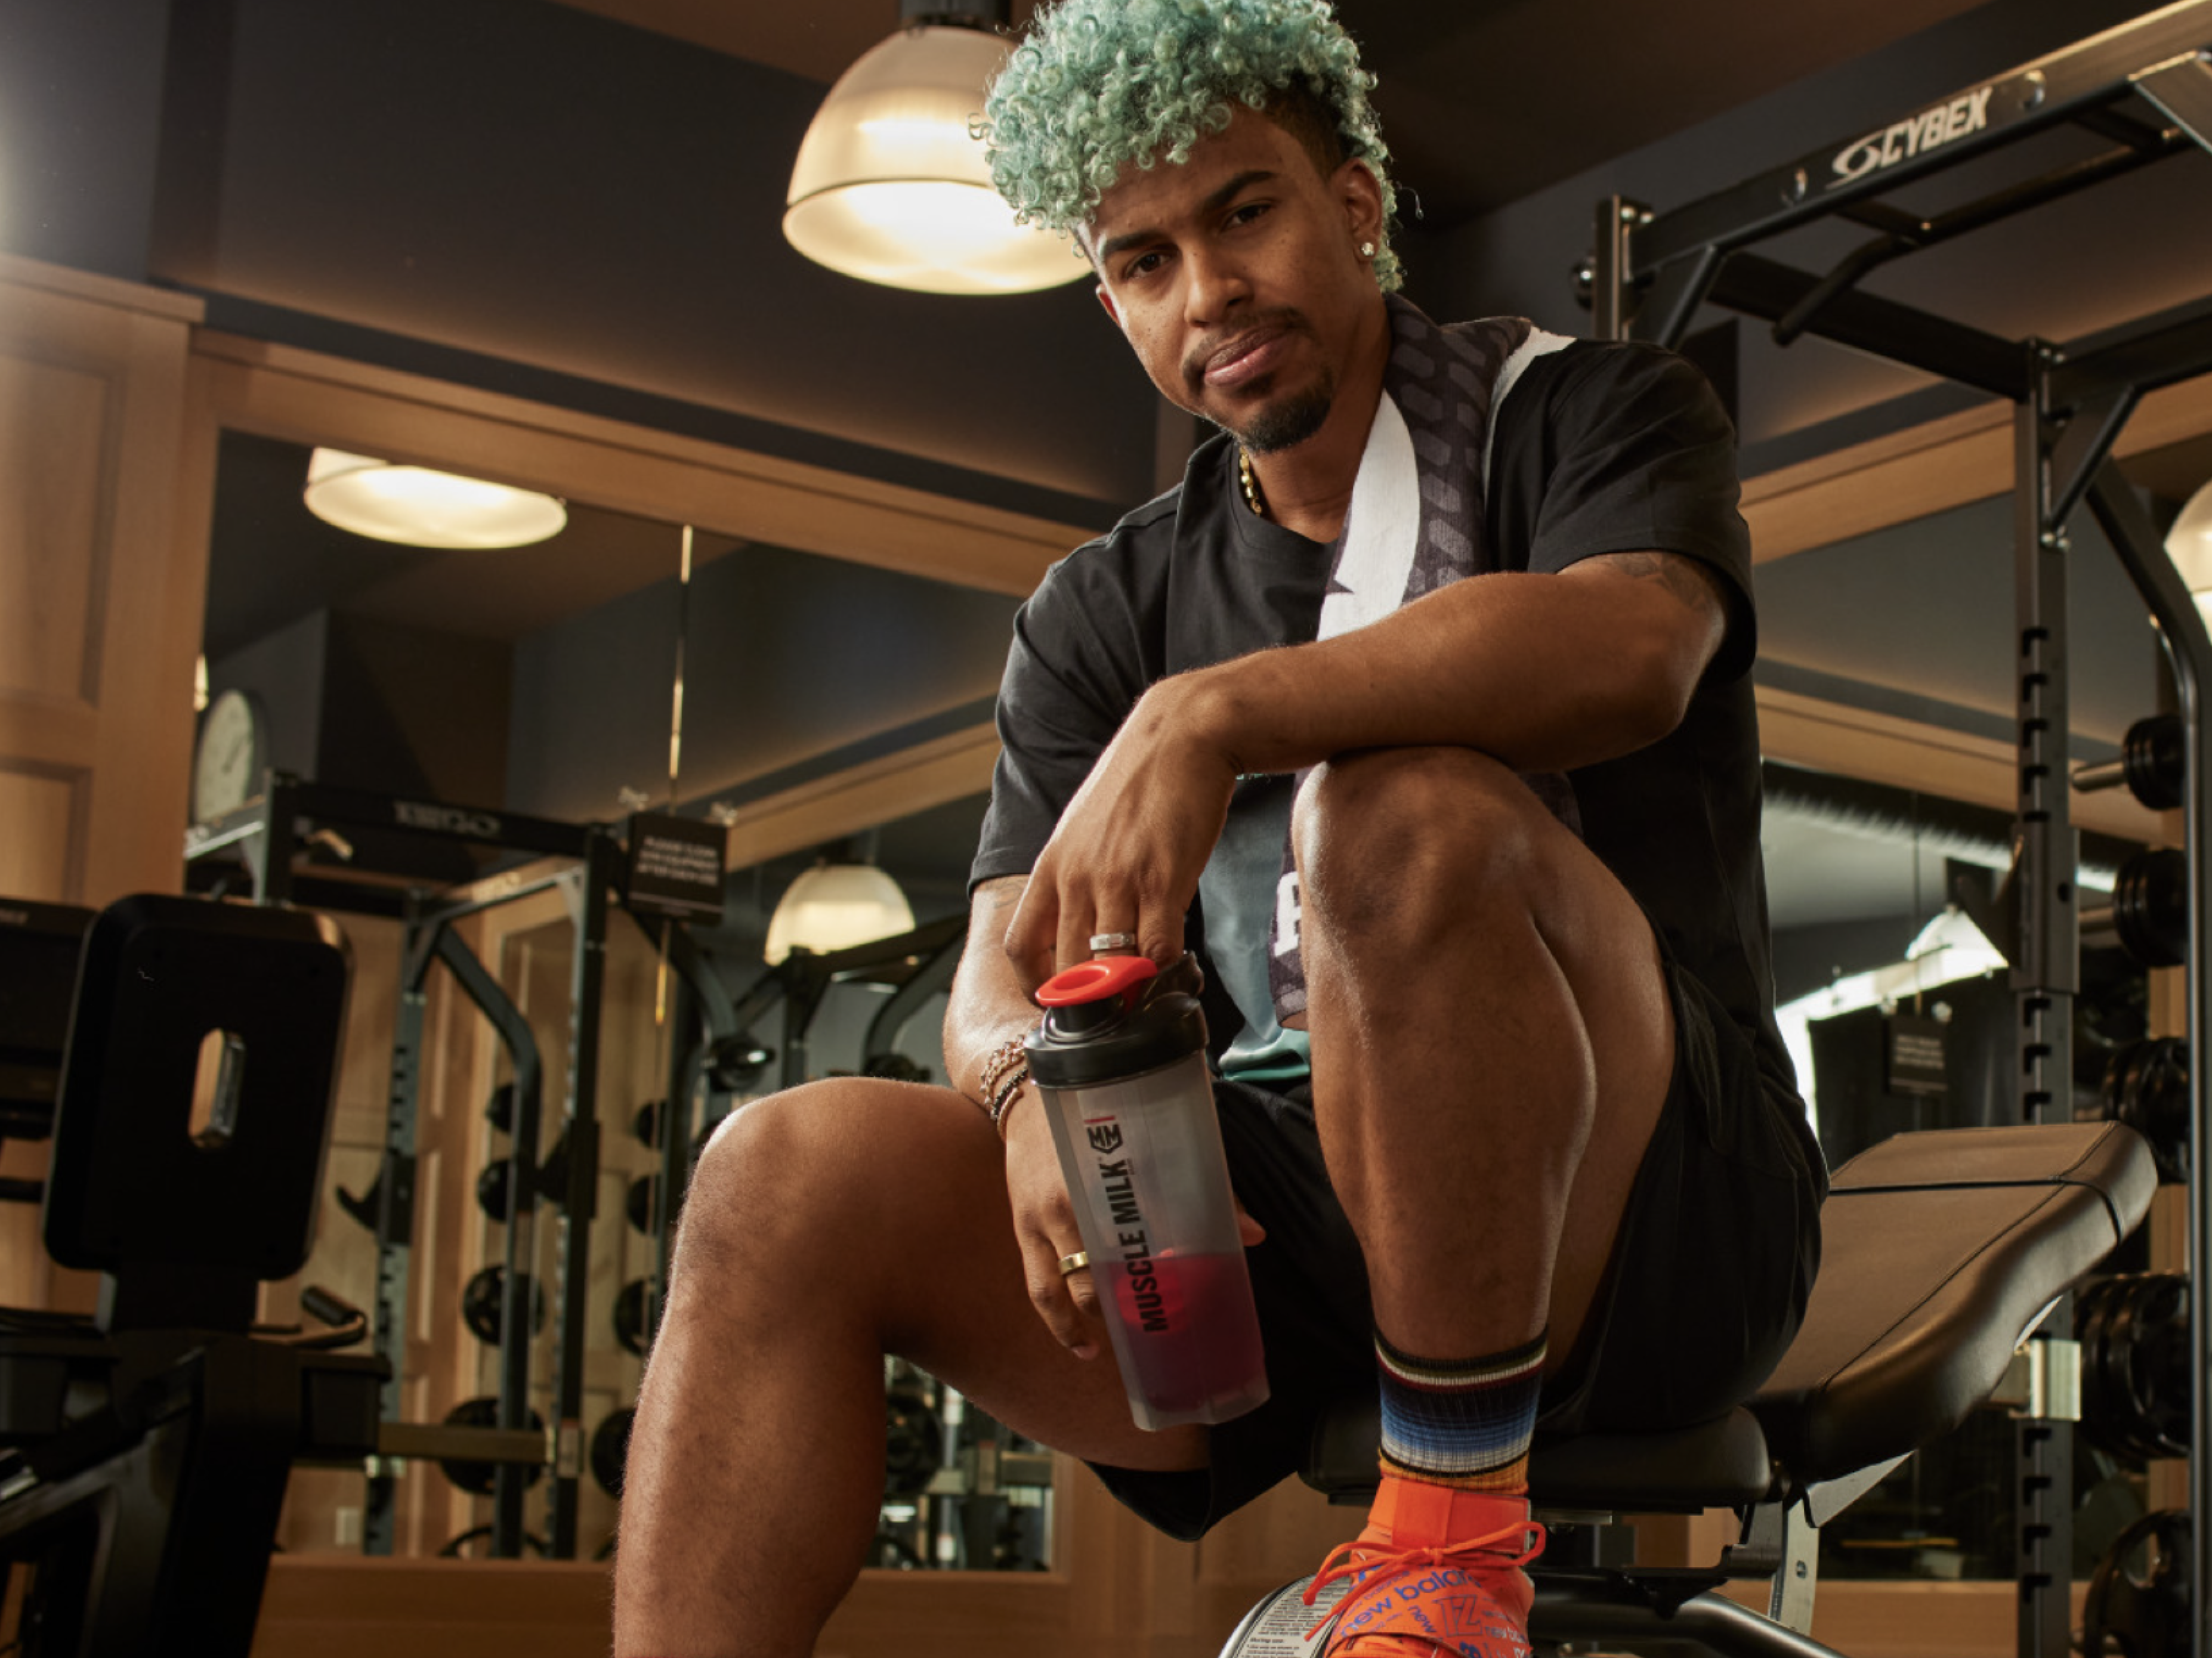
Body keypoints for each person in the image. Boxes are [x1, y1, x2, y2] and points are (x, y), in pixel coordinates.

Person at [613, 1, 1824, 1653]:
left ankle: (1447, 1542)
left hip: (1647, 1208)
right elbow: (999, 968)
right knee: (780, 1174)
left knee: (1395, 806)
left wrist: (1215, 712)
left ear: (1354, 202)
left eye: (1242, 213)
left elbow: (1632, 648)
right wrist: (1027, 1089)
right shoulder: (1100, 605)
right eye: (1142, 262)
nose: (1207, 292)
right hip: (1283, 1218)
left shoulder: (1588, 411)